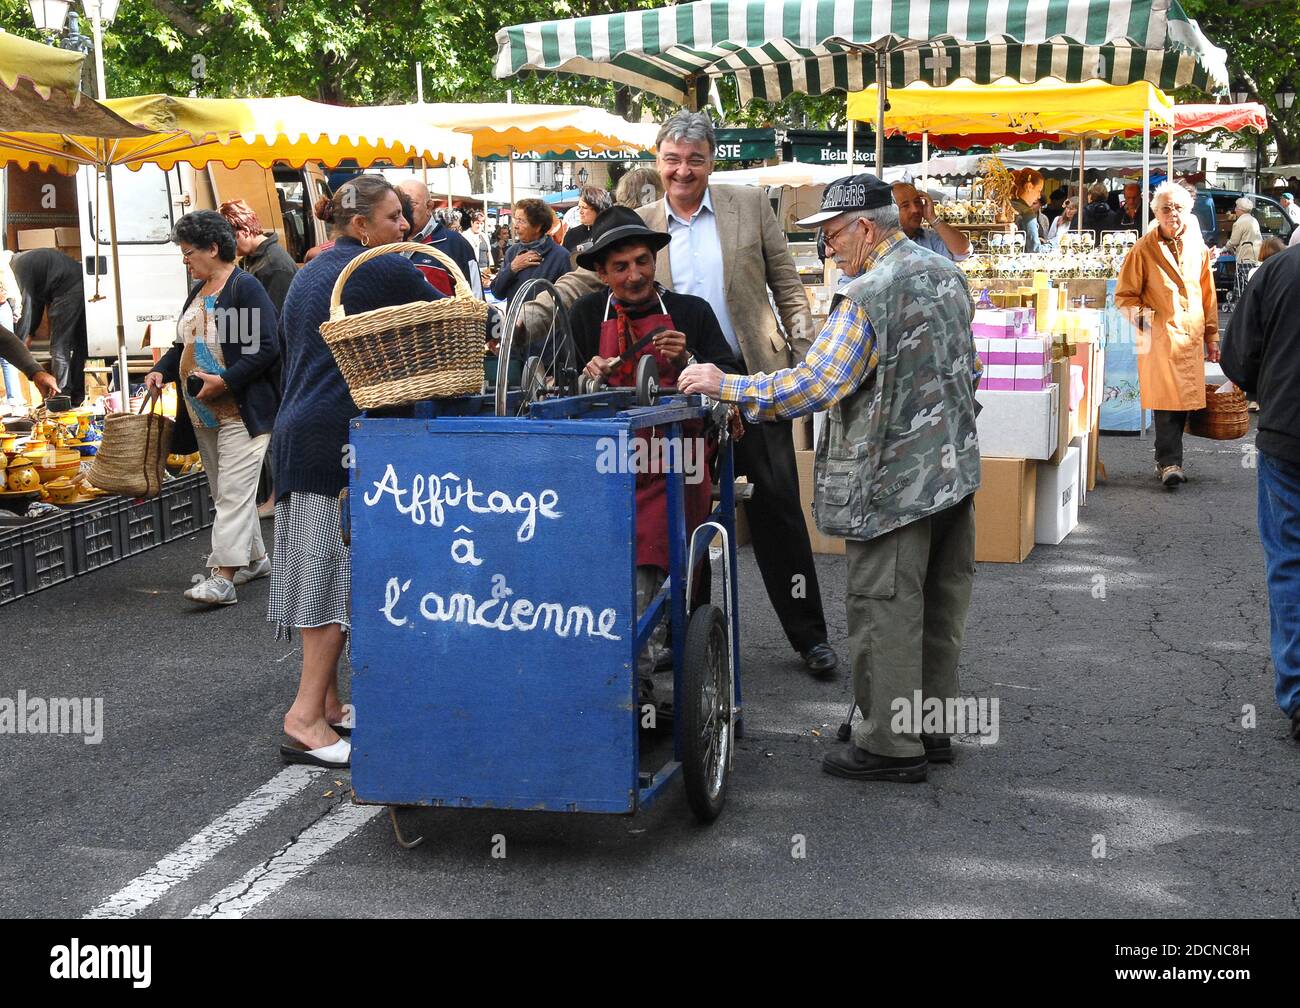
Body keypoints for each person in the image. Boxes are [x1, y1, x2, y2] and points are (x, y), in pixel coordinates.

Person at [679, 173, 980, 783]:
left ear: (867, 227)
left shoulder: (868, 294)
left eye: (834, 234)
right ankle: (931, 725)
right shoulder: (945, 273)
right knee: (938, 607)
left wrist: (727, 385)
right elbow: (968, 369)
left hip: (892, 482)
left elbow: (813, 385)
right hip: (953, 473)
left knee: (885, 608)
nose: (828, 249)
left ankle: (890, 747)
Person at [518, 111, 838, 676]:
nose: (683, 170)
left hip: (744, 375)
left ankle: (808, 634)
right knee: (685, 508)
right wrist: (526, 315)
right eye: (672, 160)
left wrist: (805, 354)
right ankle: (686, 634)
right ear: (658, 163)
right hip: (659, 397)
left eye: (694, 159)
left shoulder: (748, 206)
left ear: (712, 160)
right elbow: (582, 283)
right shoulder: (640, 223)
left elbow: (788, 287)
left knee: (778, 508)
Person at [271, 175, 442, 770]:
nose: (406, 228)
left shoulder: (312, 270)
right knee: (333, 584)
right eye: (395, 218)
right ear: (361, 226)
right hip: (335, 441)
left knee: (321, 575)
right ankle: (304, 718)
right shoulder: (383, 267)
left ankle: (332, 705)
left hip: (300, 437)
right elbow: (457, 318)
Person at [569, 206, 742, 695]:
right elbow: (557, 392)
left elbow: (731, 385)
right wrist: (588, 375)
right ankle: (613, 674)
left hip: (675, 464)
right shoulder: (585, 315)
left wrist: (689, 359)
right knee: (593, 559)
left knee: (649, 554)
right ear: (602, 274)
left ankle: (633, 682)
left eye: (643, 261)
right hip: (606, 466)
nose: (635, 274)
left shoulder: (690, 313)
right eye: (620, 267)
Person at [145, 211, 280, 606]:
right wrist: (160, 371)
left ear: (213, 249)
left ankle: (222, 577)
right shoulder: (199, 290)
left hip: (241, 410)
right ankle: (255, 561)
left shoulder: (243, 288)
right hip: (203, 413)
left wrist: (227, 380)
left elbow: (266, 349)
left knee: (235, 493)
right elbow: (181, 347)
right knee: (227, 494)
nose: (185, 261)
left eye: (188, 253)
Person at [1221, 241, 1300, 741]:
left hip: (1289, 437)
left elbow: (1238, 360)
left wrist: (1263, 387)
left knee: (1290, 564)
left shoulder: (1277, 271)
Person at [1114, 181, 1219, 489]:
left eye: (1178, 208)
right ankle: (1169, 463)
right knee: (1167, 401)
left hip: (1190, 334)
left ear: (1187, 211)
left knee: (1183, 401)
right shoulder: (1143, 248)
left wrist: (1212, 337)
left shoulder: (1197, 247)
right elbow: (1124, 296)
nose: (1172, 213)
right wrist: (1150, 321)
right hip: (1160, 337)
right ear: (1155, 213)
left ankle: (1170, 459)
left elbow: (1208, 295)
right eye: (1165, 208)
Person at [11, 247, 86, 406]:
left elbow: (26, 303)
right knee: (80, 344)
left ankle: (61, 395)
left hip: (68, 288)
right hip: (78, 281)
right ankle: (77, 395)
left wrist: (19, 341)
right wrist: (30, 333)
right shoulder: (23, 260)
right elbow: (35, 302)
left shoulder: (17, 268)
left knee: (59, 345)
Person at [395, 180, 481, 297]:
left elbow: (476, 297)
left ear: (429, 206)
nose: (405, 211)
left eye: (411, 204)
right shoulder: (390, 243)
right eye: (400, 206)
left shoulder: (455, 244)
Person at [219, 200, 297, 313]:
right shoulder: (252, 258)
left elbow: (274, 318)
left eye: (228, 241)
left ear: (245, 232)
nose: (226, 246)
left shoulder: (274, 266)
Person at [490, 198, 571, 302]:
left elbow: (567, 299)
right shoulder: (512, 252)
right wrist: (512, 268)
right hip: (515, 317)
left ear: (538, 226)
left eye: (522, 221)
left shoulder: (560, 256)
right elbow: (497, 293)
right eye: (516, 220)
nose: (516, 226)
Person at [891, 182, 970, 261]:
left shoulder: (929, 238)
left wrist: (932, 218)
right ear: (890, 211)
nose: (915, 210)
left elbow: (963, 251)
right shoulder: (884, 242)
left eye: (917, 202)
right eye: (905, 205)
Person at [1225, 197, 1262, 300]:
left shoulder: (1239, 222)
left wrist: (1224, 248)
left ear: (1241, 209)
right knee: (1252, 282)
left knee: (1243, 285)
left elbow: (1234, 241)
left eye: (1236, 207)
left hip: (1244, 257)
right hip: (1256, 256)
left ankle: (1241, 305)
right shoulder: (1253, 219)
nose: (1235, 209)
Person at [563, 186, 613, 253]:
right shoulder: (572, 235)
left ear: (598, 208)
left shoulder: (612, 232)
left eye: (584, 208)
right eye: (579, 207)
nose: (580, 212)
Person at [1010, 168, 1047, 251]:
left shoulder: (1007, 206)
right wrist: (1055, 243)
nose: (1039, 196)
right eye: (1039, 190)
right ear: (1029, 187)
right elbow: (1035, 249)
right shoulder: (1027, 213)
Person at [465, 209, 494, 274]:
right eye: (477, 223)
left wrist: (491, 268)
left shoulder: (485, 236)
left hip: (486, 269)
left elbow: (488, 252)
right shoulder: (465, 235)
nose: (479, 226)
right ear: (472, 223)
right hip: (473, 269)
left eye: (481, 223)